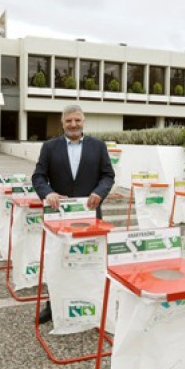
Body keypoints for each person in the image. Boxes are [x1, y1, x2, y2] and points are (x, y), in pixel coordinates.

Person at [32, 104, 115, 322]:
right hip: (60, 217)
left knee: (88, 260)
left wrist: (99, 192)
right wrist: (47, 192)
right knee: (58, 261)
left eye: (77, 120)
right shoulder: (50, 147)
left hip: (89, 216)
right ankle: (54, 305)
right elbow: (38, 177)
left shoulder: (98, 146)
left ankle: (90, 303)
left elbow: (108, 176)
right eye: (69, 120)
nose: (73, 124)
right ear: (62, 122)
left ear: (83, 121)